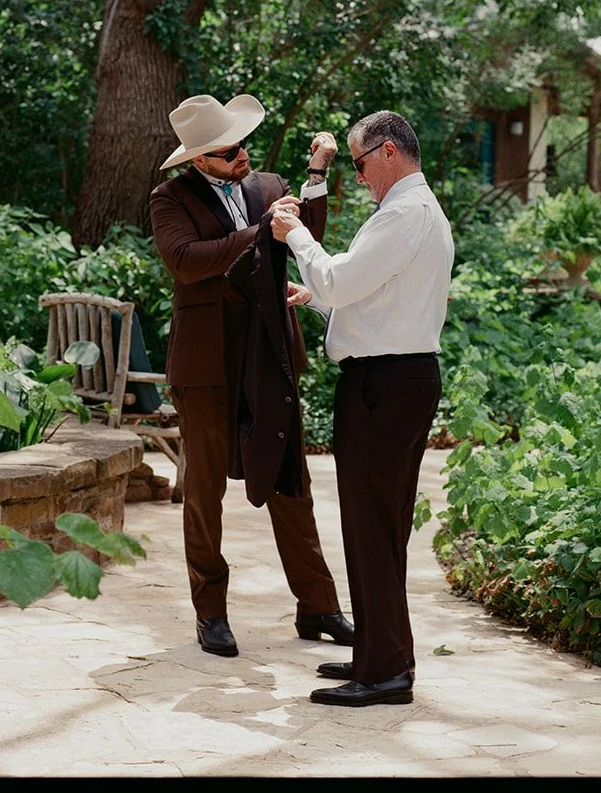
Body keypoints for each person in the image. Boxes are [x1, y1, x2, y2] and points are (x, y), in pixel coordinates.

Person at [149, 92, 356, 659]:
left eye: (242, 144)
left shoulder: (266, 185)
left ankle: (317, 605)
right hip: (206, 364)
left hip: (269, 354)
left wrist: (316, 175)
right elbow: (188, 261)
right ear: (199, 161)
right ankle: (210, 612)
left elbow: (302, 235)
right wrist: (260, 231)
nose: (242, 155)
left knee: (291, 481)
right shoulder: (169, 199)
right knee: (204, 490)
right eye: (227, 151)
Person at [269, 109, 454, 708]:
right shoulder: (411, 212)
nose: (360, 175)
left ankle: (387, 673)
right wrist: (320, 301)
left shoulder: (405, 212)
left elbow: (342, 282)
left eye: (360, 163)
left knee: (374, 527)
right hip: (395, 376)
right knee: (375, 527)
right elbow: (375, 304)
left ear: (390, 151)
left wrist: (294, 234)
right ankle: (378, 650)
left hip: (387, 384)